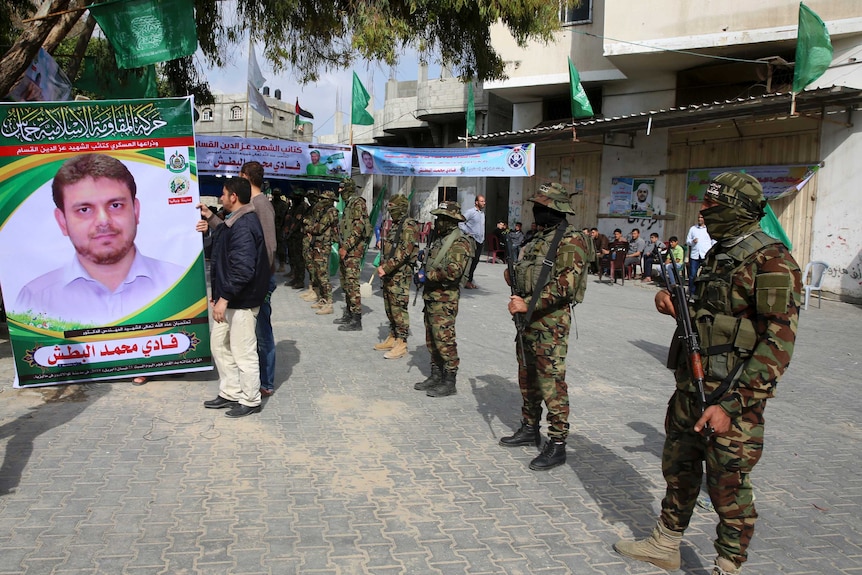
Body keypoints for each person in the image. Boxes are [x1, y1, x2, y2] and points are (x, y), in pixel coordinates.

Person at [614, 172, 802, 575]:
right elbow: (711, 317)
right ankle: (665, 544)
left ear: (736, 211)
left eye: (714, 206)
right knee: (678, 467)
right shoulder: (721, 254)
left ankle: (729, 564)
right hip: (692, 384)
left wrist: (731, 406)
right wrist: (673, 304)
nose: (704, 211)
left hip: (732, 398)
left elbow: (777, 346)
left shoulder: (773, 261)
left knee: (728, 485)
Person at [14, 154, 184, 328]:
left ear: (136, 210)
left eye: (115, 205)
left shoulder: (180, 282)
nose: (103, 221)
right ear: (62, 222)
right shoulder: (36, 298)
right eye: (84, 209)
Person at [500, 183, 590, 471]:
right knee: (527, 376)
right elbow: (531, 274)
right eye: (536, 205)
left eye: (542, 206)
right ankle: (529, 427)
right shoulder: (539, 238)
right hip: (527, 322)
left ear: (556, 209)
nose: (536, 211)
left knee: (551, 382)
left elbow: (566, 285)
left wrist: (529, 304)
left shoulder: (571, 240)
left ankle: (558, 442)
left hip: (550, 324)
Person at [199, 162, 278, 397]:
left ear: (244, 178)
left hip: (251, 283)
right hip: (241, 285)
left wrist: (262, 276)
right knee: (234, 341)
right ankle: (235, 391)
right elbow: (229, 232)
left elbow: (267, 245)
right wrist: (211, 218)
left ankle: (264, 384)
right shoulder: (243, 211)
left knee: (257, 337)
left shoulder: (260, 205)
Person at [413, 201, 473, 397]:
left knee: (445, 340)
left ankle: (449, 380)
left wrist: (426, 276)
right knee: (432, 338)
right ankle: (436, 374)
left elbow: (453, 272)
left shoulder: (459, 242)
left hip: (445, 299)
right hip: (431, 297)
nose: (438, 222)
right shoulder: (439, 240)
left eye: (442, 219)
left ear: (451, 221)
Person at [375, 194, 419, 359]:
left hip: (400, 274)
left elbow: (404, 253)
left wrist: (386, 268)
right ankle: (392, 336)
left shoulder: (409, 226)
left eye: (393, 207)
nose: (390, 210)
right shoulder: (395, 225)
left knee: (398, 308)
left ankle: (402, 342)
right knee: (389, 306)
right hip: (390, 273)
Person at [334, 179, 371, 331]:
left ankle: (356, 320)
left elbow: (358, 228)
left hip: (353, 251)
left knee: (352, 283)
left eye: (342, 190)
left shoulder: (357, 203)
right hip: (346, 250)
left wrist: (346, 247)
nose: (340, 193)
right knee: (345, 283)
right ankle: (349, 313)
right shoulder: (349, 204)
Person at [305, 188, 338, 315]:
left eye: (324, 199)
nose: (321, 201)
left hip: (323, 246)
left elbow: (319, 228)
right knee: (318, 273)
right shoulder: (323, 211)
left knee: (323, 275)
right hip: (318, 244)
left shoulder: (331, 212)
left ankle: (329, 303)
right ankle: (323, 299)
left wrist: (308, 227)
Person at [458, 194, 485, 289]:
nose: (483, 203)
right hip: (472, 240)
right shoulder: (470, 212)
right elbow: (460, 222)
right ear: (476, 202)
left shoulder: (482, 213)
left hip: (480, 240)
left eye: (484, 201)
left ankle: (469, 280)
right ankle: (466, 281)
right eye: (481, 201)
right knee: (470, 261)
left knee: (475, 261)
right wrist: (467, 232)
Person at [687, 213, 713, 295]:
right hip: (695, 255)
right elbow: (687, 241)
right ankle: (692, 292)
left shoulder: (709, 229)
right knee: (692, 275)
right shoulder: (693, 229)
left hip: (705, 255)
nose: (699, 219)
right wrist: (692, 241)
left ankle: (704, 292)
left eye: (701, 217)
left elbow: (714, 241)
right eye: (698, 217)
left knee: (706, 274)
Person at [272, 189, 289, 273]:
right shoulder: (270, 204)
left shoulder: (283, 205)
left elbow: (285, 217)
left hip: (280, 228)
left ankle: (282, 264)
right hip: (272, 227)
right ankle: (272, 265)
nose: (276, 196)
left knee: (280, 247)